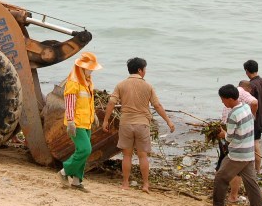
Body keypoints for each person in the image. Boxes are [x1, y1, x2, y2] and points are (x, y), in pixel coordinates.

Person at [101, 57, 175, 192]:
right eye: (144, 69)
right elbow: (157, 105)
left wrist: (106, 120)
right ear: (140, 70)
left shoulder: (121, 85)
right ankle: (145, 185)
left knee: (127, 155)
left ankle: (125, 184)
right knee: (143, 155)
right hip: (142, 124)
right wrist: (168, 121)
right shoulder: (148, 86)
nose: (145, 72)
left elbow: (111, 102)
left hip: (126, 123)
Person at [212, 84, 262, 206]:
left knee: (220, 177)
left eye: (223, 99)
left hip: (237, 154)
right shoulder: (246, 107)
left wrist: (222, 134)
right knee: (252, 184)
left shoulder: (233, 114)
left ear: (230, 99)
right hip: (249, 152)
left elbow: (229, 137)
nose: (222, 102)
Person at [57, 52, 102, 192]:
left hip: (86, 122)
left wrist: (93, 114)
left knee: (83, 151)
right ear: (81, 68)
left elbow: (88, 101)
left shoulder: (88, 82)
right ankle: (64, 172)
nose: (92, 71)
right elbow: (70, 103)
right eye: (90, 68)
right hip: (76, 123)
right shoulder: (73, 83)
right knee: (85, 149)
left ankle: (76, 181)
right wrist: (70, 121)